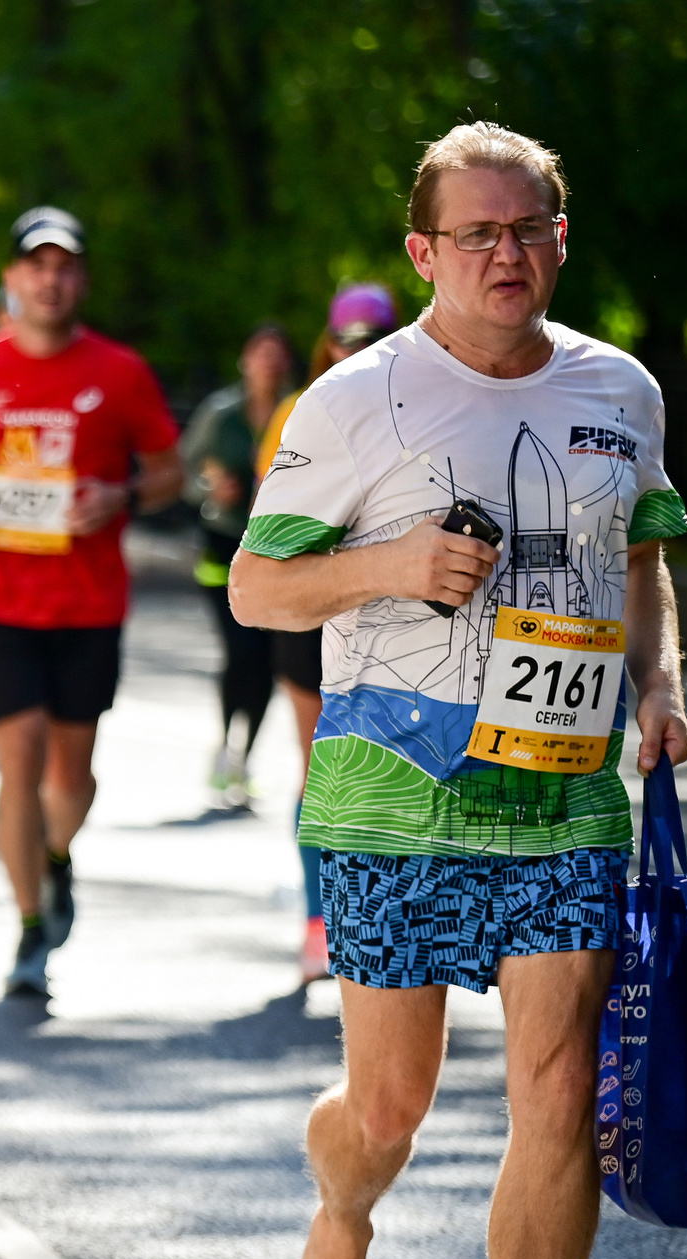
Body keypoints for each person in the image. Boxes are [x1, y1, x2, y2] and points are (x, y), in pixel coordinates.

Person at [231, 123, 687, 1259]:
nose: (507, 252)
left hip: (564, 798)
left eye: (528, 228)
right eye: (477, 232)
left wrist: (659, 681)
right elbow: (257, 588)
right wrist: (390, 566)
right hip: (395, 798)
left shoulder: (619, 390)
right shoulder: (353, 402)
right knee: (391, 1106)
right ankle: (342, 1209)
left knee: (557, 1094)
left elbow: (641, 558)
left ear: (560, 239)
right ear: (424, 251)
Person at [0, 210, 183, 998]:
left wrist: (120, 494)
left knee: (72, 775)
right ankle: (30, 926)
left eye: (65, 267)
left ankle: (57, 856)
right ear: (14, 278)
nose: (51, 280)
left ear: (81, 281)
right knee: (20, 757)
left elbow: (169, 471)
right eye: (37, 265)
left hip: (86, 605)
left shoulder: (120, 372)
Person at [260, 283, 403, 981]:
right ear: (328, 344)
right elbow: (269, 524)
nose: (359, 353)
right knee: (321, 770)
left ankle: (378, 918)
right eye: (347, 341)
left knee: (390, 773)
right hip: (316, 613)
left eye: (374, 340)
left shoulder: (431, 408)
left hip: (399, 617)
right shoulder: (301, 409)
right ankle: (319, 922)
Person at [181, 324, 299, 810]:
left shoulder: (299, 411)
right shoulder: (220, 413)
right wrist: (212, 490)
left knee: (268, 662)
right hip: (223, 546)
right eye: (259, 352)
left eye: (277, 354)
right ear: (244, 360)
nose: (268, 362)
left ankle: (243, 756)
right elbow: (184, 472)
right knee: (241, 652)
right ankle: (225, 741)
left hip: (277, 549)